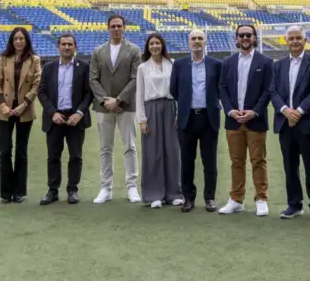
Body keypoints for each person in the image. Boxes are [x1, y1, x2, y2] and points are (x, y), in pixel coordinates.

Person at [217, 23, 275, 217]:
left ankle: (261, 198)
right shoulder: (228, 62)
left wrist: (255, 111)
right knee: (236, 161)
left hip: (255, 120)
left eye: (248, 35)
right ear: (236, 39)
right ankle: (236, 199)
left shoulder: (265, 62)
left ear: (254, 38)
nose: (245, 38)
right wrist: (230, 110)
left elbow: (268, 90)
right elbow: (222, 88)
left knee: (258, 160)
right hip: (233, 121)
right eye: (241, 35)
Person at [271, 25, 310, 221]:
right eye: (291, 38)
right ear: (286, 41)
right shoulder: (278, 65)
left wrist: (299, 111)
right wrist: (286, 110)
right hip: (285, 123)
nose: (295, 41)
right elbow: (273, 91)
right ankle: (294, 204)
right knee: (289, 165)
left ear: (305, 40)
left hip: (308, 122)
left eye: (298, 38)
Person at [89, 14, 143, 204]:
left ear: (124, 28)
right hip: (104, 108)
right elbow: (93, 79)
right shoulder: (98, 51)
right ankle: (106, 188)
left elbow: (136, 78)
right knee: (106, 148)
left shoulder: (134, 50)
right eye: (113, 26)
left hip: (126, 107)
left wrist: (118, 100)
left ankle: (132, 187)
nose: (116, 29)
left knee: (130, 147)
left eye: (119, 26)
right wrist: (106, 101)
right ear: (108, 28)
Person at [170, 29, 222, 213]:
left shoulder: (216, 64)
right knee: (187, 161)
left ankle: (210, 198)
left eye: (200, 38)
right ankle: (188, 198)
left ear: (205, 42)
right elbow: (174, 90)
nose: (197, 41)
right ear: (188, 43)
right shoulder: (179, 64)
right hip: (187, 119)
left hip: (209, 119)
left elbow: (220, 89)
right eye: (194, 38)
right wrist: (184, 107)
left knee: (210, 161)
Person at [38, 33, 92, 205]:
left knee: (75, 156)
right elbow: (42, 92)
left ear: (75, 47)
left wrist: (80, 112)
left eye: (70, 44)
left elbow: (89, 93)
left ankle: (72, 190)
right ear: (58, 47)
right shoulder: (49, 67)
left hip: (75, 117)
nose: (67, 47)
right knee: (53, 156)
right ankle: (52, 190)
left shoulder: (84, 67)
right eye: (63, 44)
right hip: (55, 118)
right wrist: (52, 112)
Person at [0, 27, 42, 203]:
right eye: (15, 39)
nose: (19, 41)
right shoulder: (4, 58)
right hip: (4, 111)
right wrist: (2, 105)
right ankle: (6, 192)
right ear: (12, 41)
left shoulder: (34, 60)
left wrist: (24, 104)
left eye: (22, 38)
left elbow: (37, 85)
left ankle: (19, 191)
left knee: (21, 152)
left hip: (24, 111)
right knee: (5, 151)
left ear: (26, 40)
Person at [136, 32, 183, 208]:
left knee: (172, 150)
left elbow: (178, 90)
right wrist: (142, 119)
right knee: (153, 152)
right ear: (148, 47)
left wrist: (178, 112)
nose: (155, 46)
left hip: (170, 108)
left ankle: (174, 193)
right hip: (151, 109)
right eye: (151, 44)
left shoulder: (172, 65)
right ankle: (154, 194)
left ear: (162, 45)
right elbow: (139, 94)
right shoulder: (143, 68)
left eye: (157, 43)